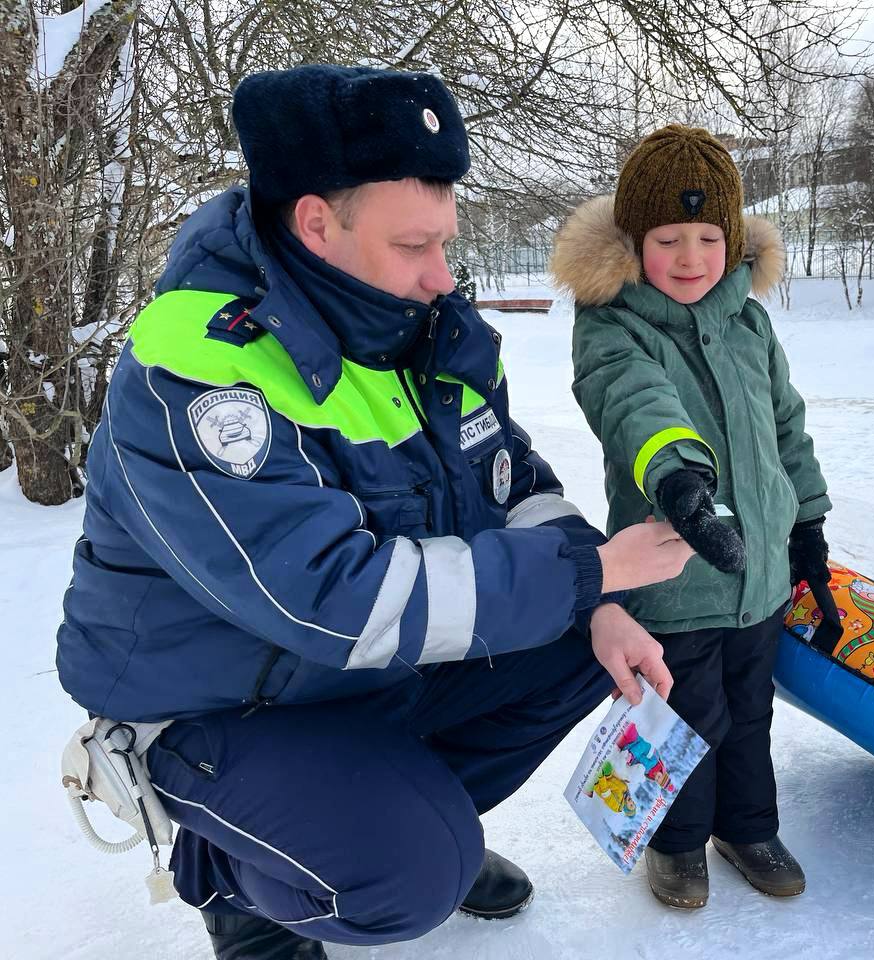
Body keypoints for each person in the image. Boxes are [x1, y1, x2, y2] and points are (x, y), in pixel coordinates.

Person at [55, 66, 694, 959]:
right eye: (412, 247)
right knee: (412, 873)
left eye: (446, 244)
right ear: (318, 221)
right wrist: (592, 569)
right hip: (221, 709)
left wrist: (599, 596)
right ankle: (238, 876)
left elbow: (512, 484)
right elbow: (328, 598)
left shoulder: (415, 325)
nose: (440, 276)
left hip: (353, 677)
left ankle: (399, 818)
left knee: (584, 637)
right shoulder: (195, 369)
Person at [551, 125, 833, 909]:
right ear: (634, 242)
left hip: (760, 573)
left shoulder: (750, 322)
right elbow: (634, 402)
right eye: (668, 238)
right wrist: (679, 481)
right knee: (688, 714)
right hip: (674, 570)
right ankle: (676, 843)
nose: (689, 257)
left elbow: (786, 426)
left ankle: (747, 826)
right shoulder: (613, 323)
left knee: (751, 712)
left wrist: (804, 523)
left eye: (709, 237)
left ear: (733, 237)